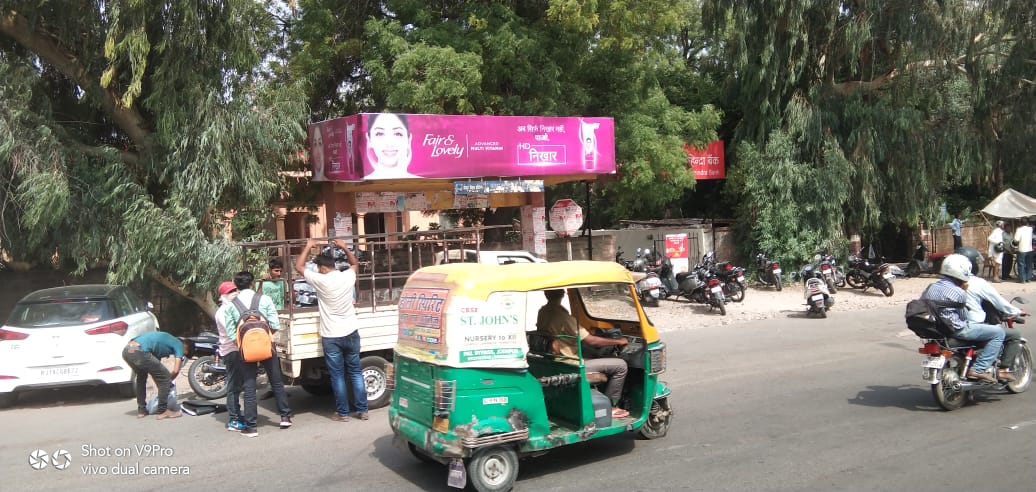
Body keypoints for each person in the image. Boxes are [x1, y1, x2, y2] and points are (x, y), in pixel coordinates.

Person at [293, 238, 367, 421]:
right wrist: (344, 247)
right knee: (356, 372)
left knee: (338, 376)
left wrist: (308, 246)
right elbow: (355, 264)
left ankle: (343, 413)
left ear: (323, 268)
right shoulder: (347, 276)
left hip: (331, 335)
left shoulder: (321, 280)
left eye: (318, 268)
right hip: (351, 331)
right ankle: (362, 410)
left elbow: (299, 267)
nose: (317, 270)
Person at [536, 289, 630, 418]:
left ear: (546, 294)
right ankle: (611, 406)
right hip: (570, 363)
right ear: (563, 294)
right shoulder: (562, 316)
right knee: (621, 365)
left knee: (594, 355)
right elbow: (592, 341)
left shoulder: (543, 312)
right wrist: (619, 341)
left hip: (556, 360)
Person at [224, 271, 293, 437]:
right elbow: (275, 324)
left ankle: (251, 426)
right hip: (267, 346)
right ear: (251, 284)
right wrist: (265, 337)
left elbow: (231, 333)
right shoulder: (265, 299)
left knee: (249, 386)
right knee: (276, 381)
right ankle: (285, 417)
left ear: (236, 285)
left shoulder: (231, 305)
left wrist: (243, 344)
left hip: (246, 350)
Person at [920, 254, 1006, 383]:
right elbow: (964, 316)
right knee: (999, 333)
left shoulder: (931, 287)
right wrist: (964, 292)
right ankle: (978, 369)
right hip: (956, 329)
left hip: (937, 328)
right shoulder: (958, 291)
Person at [963, 270, 1022, 382]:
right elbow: (998, 301)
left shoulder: (941, 285)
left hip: (947, 325)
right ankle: (1000, 370)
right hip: (971, 325)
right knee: (1008, 334)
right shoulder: (975, 283)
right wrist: (1016, 311)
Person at [121, 331, 185, 420]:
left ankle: (142, 410)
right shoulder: (179, 344)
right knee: (165, 376)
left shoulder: (160, 345)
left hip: (127, 351)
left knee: (141, 377)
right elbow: (176, 370)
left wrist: (162, 387)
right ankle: (163, 411)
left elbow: (156, 374)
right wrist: (168, 382)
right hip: (138, 351)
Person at [214, 281, 246, 431]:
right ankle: (234, 419)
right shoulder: (223, 312)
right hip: (231, 351)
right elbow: (232, 332)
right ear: (223, 296)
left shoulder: (232, 308)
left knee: (238, 385)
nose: (234, 293)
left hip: (236, 350)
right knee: (233, 386)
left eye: (235, 290)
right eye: (230, 292)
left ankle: (238, 415)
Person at [364, 113, 418, 179]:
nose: (389, 143)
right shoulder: (360, 185)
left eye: (398, 134)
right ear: (369, 139)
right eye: (379, 134)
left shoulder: (423, 185)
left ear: (409, 139)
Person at [1014, 218, 1034, 283]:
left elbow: (1016, 240)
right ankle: (1028, 278)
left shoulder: (1019, 230)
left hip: (1022, 249)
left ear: (1020, 223)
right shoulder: (1030, 229)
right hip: (1030, 249)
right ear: (1027, 223)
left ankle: (1022, 279)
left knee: (1021, 264)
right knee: (1029, 264)